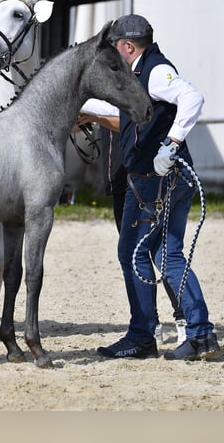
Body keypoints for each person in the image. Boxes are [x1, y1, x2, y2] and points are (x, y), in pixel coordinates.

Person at [87, 13, 219, 361]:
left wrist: (171, 143)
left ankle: (142, 335)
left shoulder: (156, 72)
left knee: (131, 253)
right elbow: (130, 117)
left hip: (153, 179)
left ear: (127, 46)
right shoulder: (141, 75)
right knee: (167, 254)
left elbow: (193, 97)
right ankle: (201, 334)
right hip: (171, 178)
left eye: (116, 48)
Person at [77, 103, 186, 344]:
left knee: (158, 251)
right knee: (137, 254)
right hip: (118, 177)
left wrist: (95, 117)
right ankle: (151, 322)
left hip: (139, 176)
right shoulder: (106, 87)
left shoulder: (137, 82)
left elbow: (128, 122)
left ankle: (182, 318)